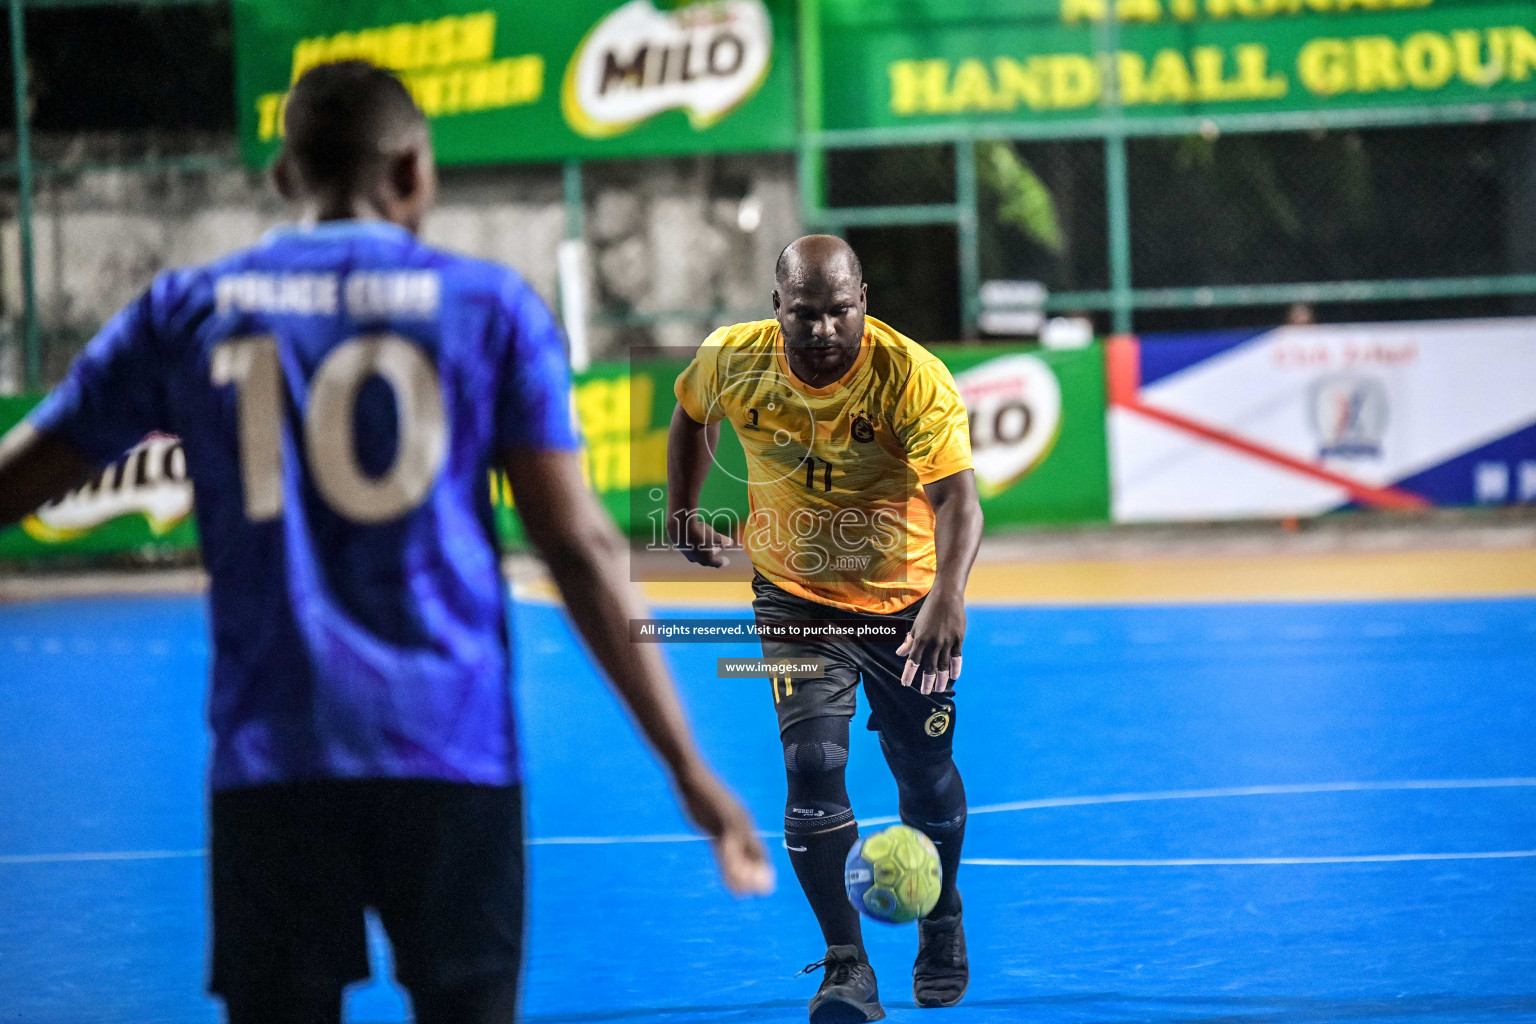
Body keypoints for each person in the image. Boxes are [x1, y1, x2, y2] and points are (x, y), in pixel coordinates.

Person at [0, 61, 771, 1024]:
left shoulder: (188, 309)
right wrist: (687, 766)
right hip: (451, 755)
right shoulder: (489, 308)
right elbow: (576, 547)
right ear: (412, 171)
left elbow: (16, 479)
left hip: (272, 761)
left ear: (285, 177)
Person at [667, 235, 984, 1022]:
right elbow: (688, 416)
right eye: (804, 313)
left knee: (923, 771)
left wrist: (948, 592)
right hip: (794, 600)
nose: (822, 329)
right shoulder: (731, 359)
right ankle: (848, 966)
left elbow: (958, 502)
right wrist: (679, 511)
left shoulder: (910, 376)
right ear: (777, 308)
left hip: (905, 604)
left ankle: (941, 915)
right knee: (811, 764)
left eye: (838, 310)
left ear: (863, 301)